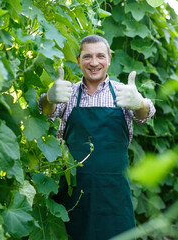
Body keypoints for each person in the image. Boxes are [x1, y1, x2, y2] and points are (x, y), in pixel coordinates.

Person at [38, 35, 156, 240]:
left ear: (109, 58)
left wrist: (140, 103)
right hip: (73, 191)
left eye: (100, 56)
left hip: (114, 192)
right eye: (87, 56)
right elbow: (46, 111)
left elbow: (144, 116)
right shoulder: (68, 93)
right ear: (78, 61)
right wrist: (49, 97)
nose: (94, 63)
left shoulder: (123, 92)